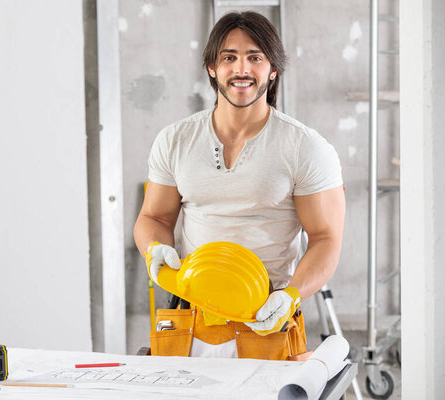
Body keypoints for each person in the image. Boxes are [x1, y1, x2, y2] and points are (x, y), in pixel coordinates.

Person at [133, 11, 345, 359]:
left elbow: (325, 238)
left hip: (267, 318)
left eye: (255, 58)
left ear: (273, 70)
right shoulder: (174, 140)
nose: (241, 69)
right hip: (191, 318)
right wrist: (154, 250)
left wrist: (290, 295)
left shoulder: (305, 146)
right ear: (212, 69)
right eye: (228, 57)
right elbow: (154, 217)